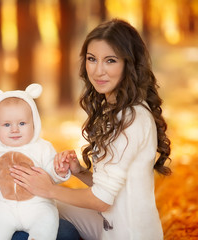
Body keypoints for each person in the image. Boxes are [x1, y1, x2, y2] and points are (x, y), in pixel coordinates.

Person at [10, 18, 172, 240]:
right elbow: (112, 189)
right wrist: (79, 171)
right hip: (109, 224)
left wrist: (48, 188)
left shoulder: (131, 117)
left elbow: (102, 200)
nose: (98, 71)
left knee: (41, 202)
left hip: (129, 234)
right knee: (38, 206)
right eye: (92, 59)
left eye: (110, 61)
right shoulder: (115, 110)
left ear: (129, 63)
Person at [0, 83, 71, 240]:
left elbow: (52, 174)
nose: (15, 130)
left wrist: (59, 171)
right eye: (7, 125)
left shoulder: (42, 147)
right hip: (4, 206)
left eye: (22, 123)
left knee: (47, 222)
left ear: (34, 122)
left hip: (38, 206)